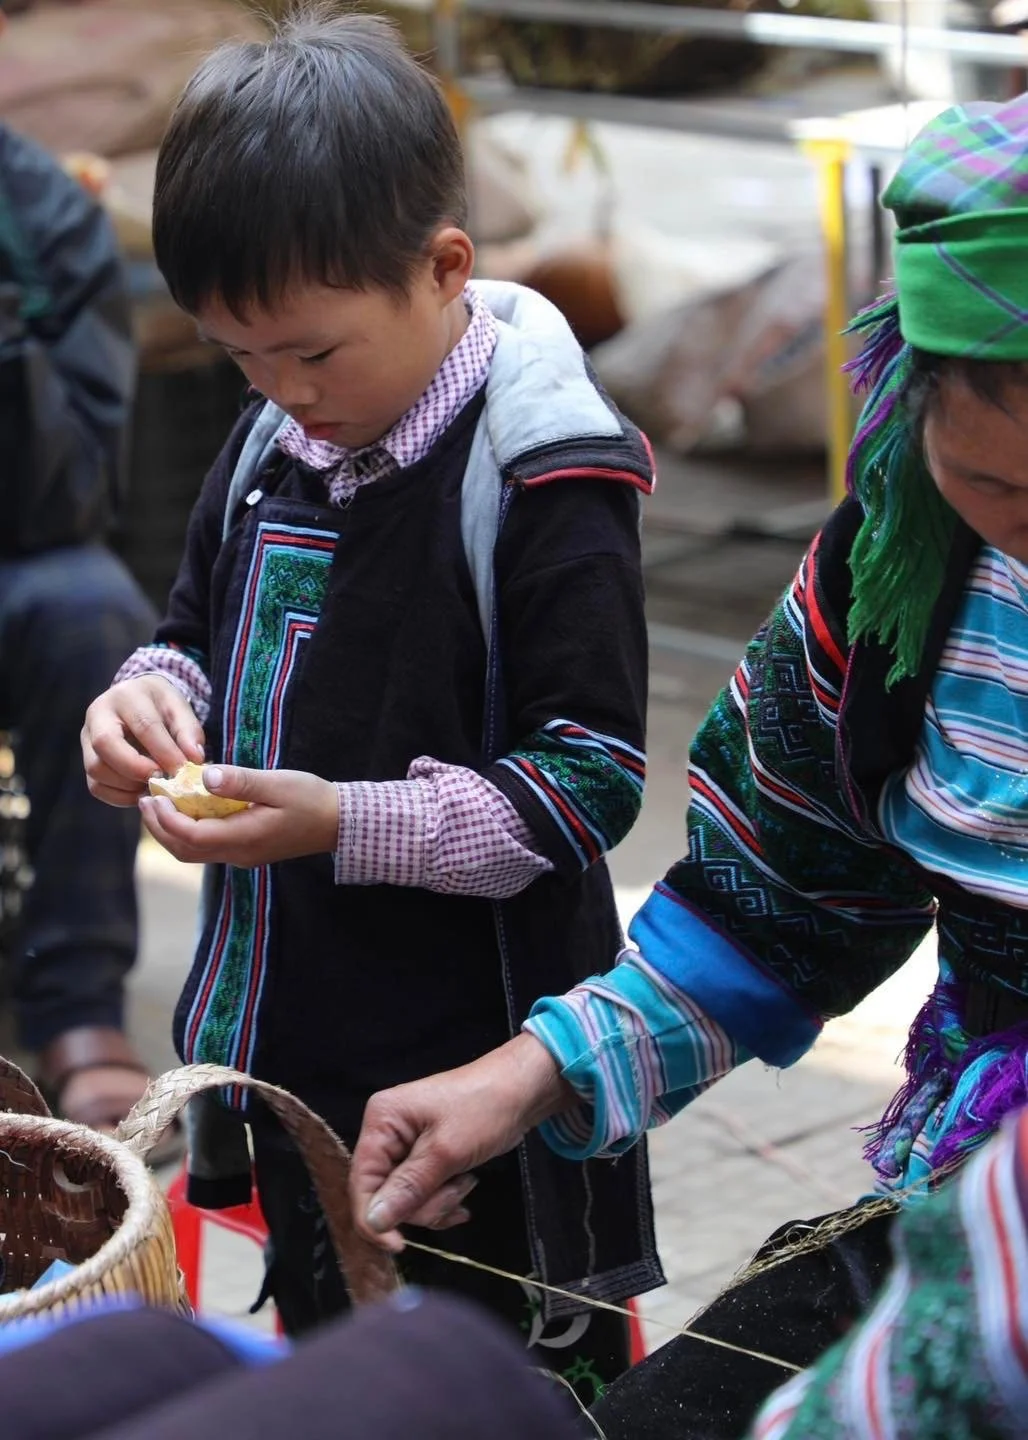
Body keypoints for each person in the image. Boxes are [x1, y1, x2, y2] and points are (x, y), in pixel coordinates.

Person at [348, 92, 1028, 1438]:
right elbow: (776, 897)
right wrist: (528, 1073)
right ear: (917, 405)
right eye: (1005, 490)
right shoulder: (898, 583)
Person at [79, 5, 658, 1401]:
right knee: (334, 1363)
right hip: (293, 1051)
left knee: (493, 1375)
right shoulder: (279, 433)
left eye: (312, 352)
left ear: (444, 268)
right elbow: (190, 636)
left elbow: (588, 786)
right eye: (240, 357)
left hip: (476, 1085)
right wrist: (143, 706)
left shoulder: (549, 479)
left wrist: (338, 819)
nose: (281, 390)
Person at [0, 0, 159, 1134]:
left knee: (91, 608)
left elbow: (76, 494)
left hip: (20, 553)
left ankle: (76, 994)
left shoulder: (44, 211)